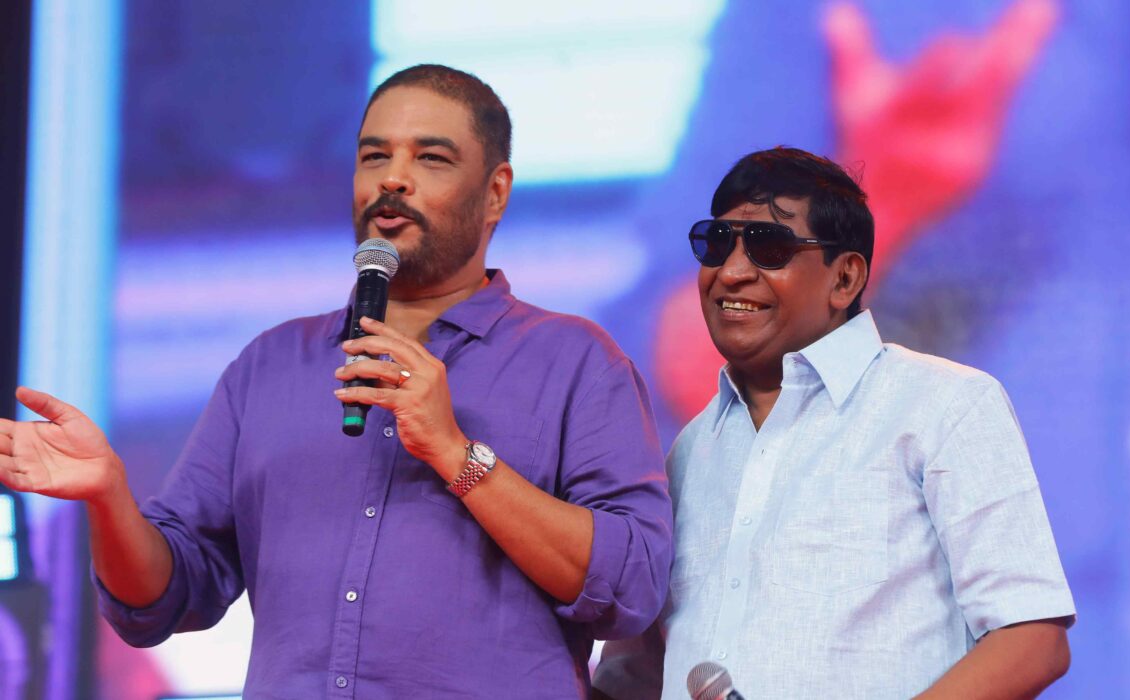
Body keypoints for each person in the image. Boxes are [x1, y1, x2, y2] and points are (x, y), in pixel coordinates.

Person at [0, 64, 672, 698]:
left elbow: (632, 586)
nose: (394, 179)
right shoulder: (270, 366)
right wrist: (108, 497)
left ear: (495, 192)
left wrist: (455, 453)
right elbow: (164, 599)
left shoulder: (576, 362)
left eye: (431, 158)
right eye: (374, 156)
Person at [592, 146, 1075, 699]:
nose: (732, 272)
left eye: (769, 248)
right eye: (717, 244)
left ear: (844, 279)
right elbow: (634, 670)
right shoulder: (689, 450)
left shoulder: (944, 406)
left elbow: (1031, 638)